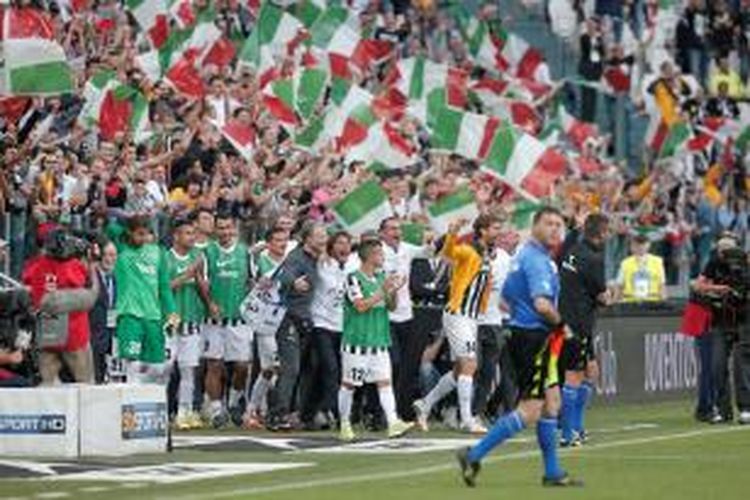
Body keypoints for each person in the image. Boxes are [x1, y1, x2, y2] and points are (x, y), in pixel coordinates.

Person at [456, 207, 583, 488]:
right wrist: (563, 328)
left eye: (558, 225)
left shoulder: (522, 256)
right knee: (531, 409)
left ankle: (552, 473)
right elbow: (542, 304)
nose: (554, 229)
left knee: (553, 405)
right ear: (534, 225)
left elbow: (504, 302)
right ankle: (473, 453)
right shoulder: (537, 261)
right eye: (548, 223)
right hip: (535, 338)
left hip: (528, 335)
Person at [413, 214, 503, 434]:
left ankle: (424, 405)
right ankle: (467, 419)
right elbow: (448, 253)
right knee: (470, 365)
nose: (498, 232)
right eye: (494, 228)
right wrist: (452, 232)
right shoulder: (468, 250)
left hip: (471, 317)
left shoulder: (486, 255)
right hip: (458, 314)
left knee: (459, 371)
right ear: (482, 230)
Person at [338, 239, 413, 441]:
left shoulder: (382, 277)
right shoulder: (352, 279)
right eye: (380, 253)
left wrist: (395, 290)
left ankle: (393, 422)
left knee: (385, 383)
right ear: (370, 256)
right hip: (357, 342)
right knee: (349, 384)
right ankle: (344, 423)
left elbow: (391, 307)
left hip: (379, 339)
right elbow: (360, 306)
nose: (383, 257)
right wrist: (382, 291)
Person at [267, 222, 328, 431]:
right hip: (289, 319)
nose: (324, 239)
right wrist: (293, 283)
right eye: (319, 235)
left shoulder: (315, 257)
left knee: (308, 369)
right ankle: (277, 415)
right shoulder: (297, 257)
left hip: (305, 320)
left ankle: (303, 413)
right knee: (290, 369)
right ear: (307, 239)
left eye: (324, 235)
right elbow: (285, 275)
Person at [558, 214, 612, 446]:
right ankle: (567, 433)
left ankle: (577, 427)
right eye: (607, 231)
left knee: (591, 371)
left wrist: (575, 227)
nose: (609, 235)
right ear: (601, 233)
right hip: (577, 323)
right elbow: (602, 297)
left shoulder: (572, 248)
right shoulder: (594, 258)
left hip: (567, 319)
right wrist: (611, 295)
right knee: (574, 376)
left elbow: (564, 248)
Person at [112, 215, 178, 384]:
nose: (143, 238)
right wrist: (127, 224)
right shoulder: (122, 250)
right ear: (129, 233)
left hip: (153, 316)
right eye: (139, 234)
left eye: (147, 234)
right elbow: (111, 228)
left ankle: (144, 395)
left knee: (158, 368)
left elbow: (164, 287)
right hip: (130, 315)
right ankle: (133, 403)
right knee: (133, 364)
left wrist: (172, 313)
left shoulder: (158, 253)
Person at [203, 213, 252, 427]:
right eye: (220, 228)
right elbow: (202, 282)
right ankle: (216, 410)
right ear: (215, 230)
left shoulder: (245, 253)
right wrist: (210, 303)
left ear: (234, 229)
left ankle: (233, 401)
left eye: (228, 228)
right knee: (214, 364)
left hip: (239, 319)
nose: (224, 232)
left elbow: (253, 281)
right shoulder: (207, 252)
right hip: (214, 321)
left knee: (242, 365)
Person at [379, 217, 431, 420]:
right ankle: (384, 410)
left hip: (406, 314)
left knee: (408, 365)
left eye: (398, 228)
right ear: (382, 232)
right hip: (384, 314)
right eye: (391, 228)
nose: (396, 232)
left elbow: (426, 252)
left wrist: (429, 242)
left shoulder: (406, 249)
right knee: (393, 362)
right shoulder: (378, 251)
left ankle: (403, 410)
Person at [242, 226, 292, 429]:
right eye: (278, 240)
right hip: (265, 321)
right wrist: (257, 282)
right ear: (269, 243)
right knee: (270, 368)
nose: (282, 244)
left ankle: (258, 410)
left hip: (284, 318)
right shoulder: (261, 261)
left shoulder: (289, 262)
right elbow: (251, 282)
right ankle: (252, 410)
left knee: (273, 370)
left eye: (284, 240)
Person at [308, 231, 356, 429]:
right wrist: (321, 252)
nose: (344, 247)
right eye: (340, 243)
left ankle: (313, 410)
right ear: (331, 246)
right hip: (322, 324)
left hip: (344, 326)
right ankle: (332, 411)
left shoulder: (353, 265)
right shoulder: (322, 264)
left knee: (336, 371)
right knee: (330, 367)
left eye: (347, 243)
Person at [165, 216, 209, 430]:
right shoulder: (166, 258)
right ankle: (161, 411)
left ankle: (185, 411)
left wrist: (209, 301)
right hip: (171, 320)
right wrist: (188, 274)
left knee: (188, 369)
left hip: (191, 319)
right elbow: (164, 289)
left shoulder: (197, 256)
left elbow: (201, 286)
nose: (192, 237)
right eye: (188, 233)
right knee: (164, 368)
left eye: (194, 233)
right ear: (176, 236)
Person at [89, 240, 117, 384]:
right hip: (92, 335)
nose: (109, 259)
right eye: (106, 255)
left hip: (110, 336)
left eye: (113, 255)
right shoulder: (91, 277)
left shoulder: (116, 278)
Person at [615, 234, 667, 302]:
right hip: (630, 302)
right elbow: (619, 285)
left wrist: (663, 301)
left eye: (643, 245)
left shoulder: (657, 262)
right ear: (631, 247)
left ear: (648, 245)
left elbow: (662, 285)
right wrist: (616, 301)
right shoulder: (625, 263)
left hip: (652, 302)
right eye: (637, 245)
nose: (640, 247)